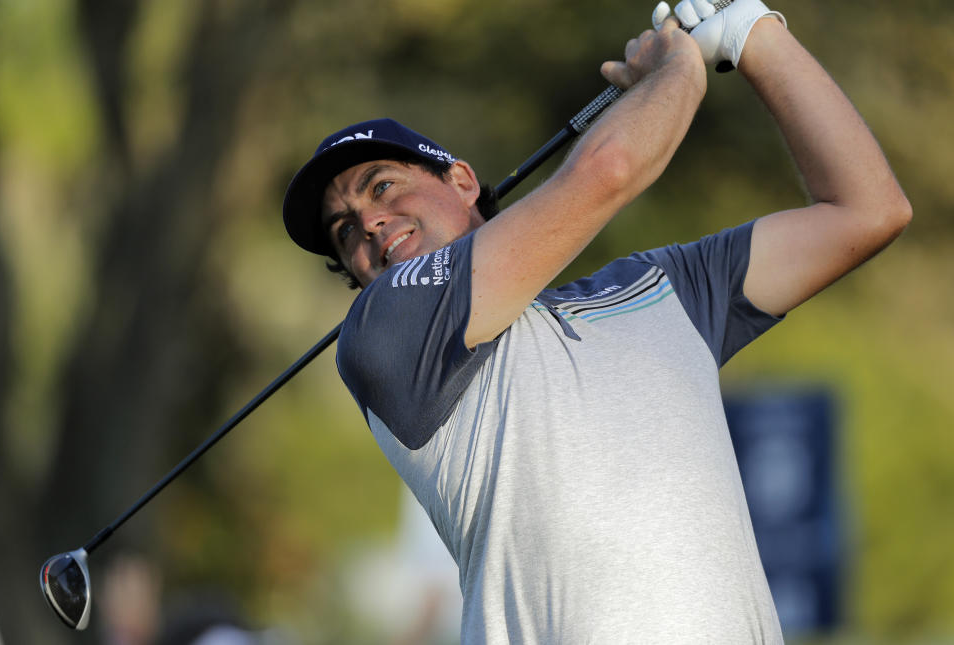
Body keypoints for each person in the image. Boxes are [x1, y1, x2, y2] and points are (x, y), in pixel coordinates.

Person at [281, 0, 911, 642]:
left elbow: (867, 211)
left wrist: (755, 33)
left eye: (381, 186)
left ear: (464, 182)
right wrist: (679, 66)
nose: (368, 223)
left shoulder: (660, 289)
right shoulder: (386, 329)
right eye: (344, 230)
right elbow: (609, 170)